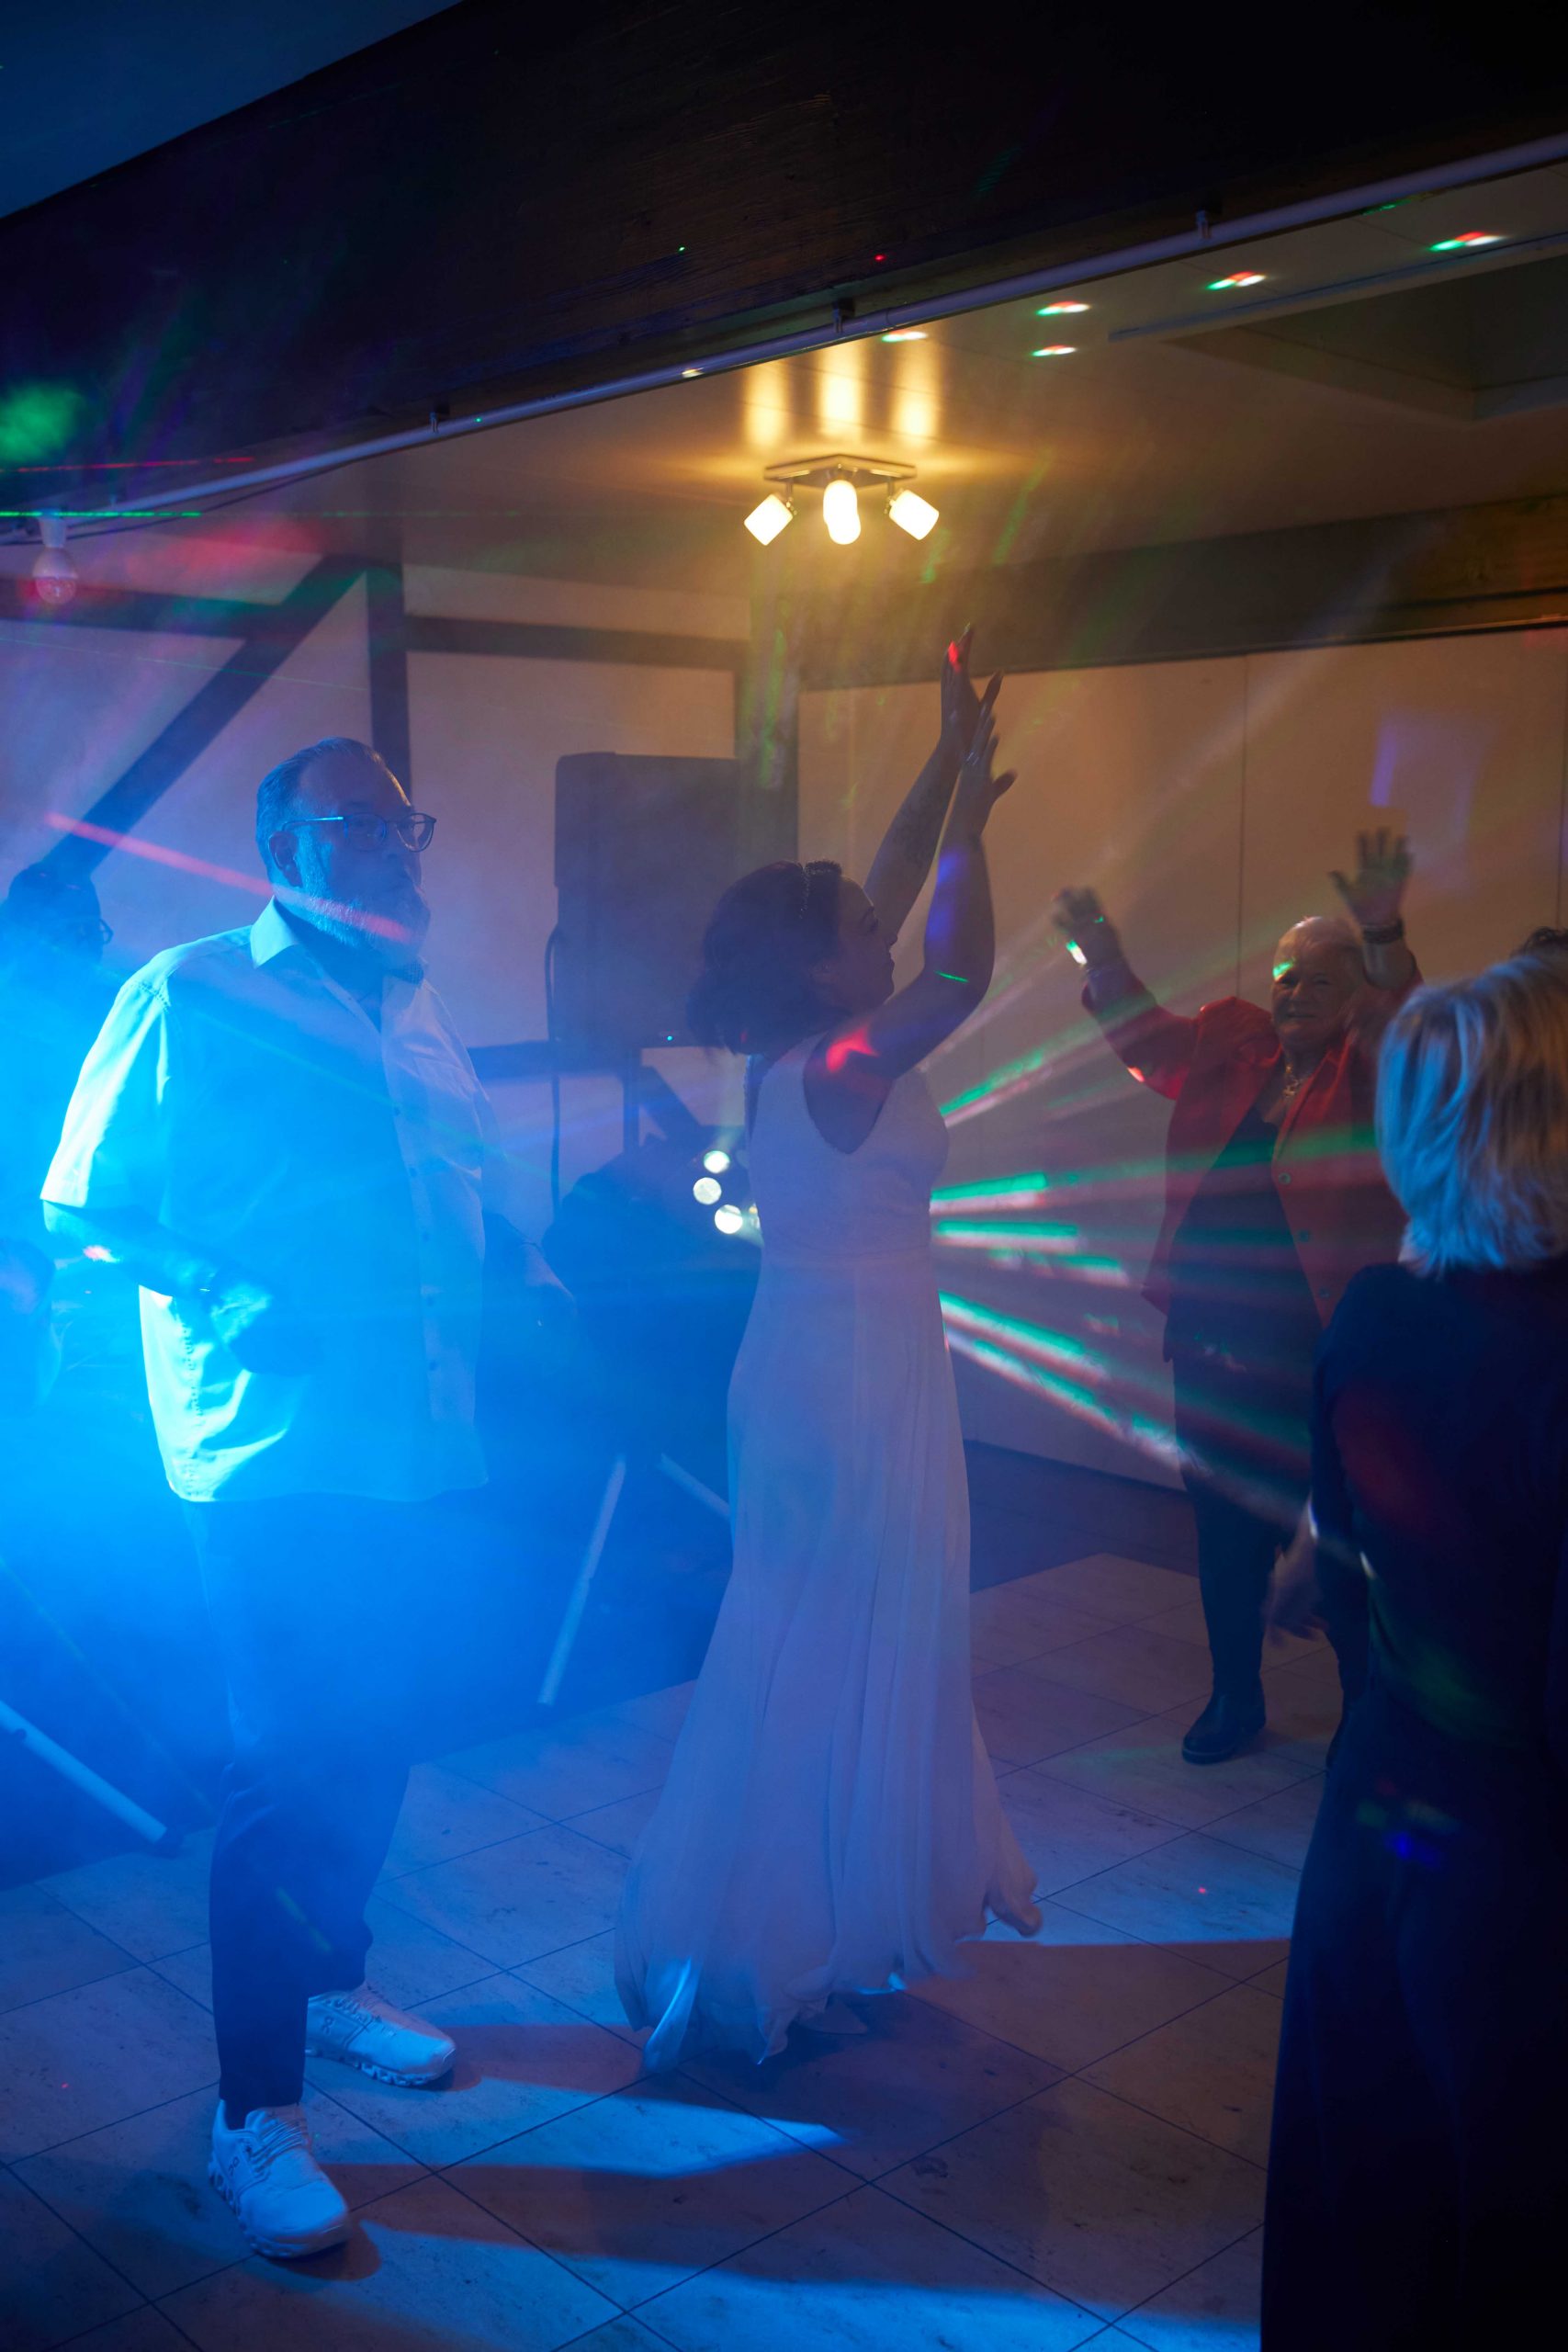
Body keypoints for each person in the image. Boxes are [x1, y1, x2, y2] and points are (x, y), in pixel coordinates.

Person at [42, 738, 551, 2260]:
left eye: (409, 824)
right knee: (283, 1762)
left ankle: (330, 1984)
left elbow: (456, 1191)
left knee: (379, 1733)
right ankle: (250, 2116)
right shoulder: (190, 993)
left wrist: (528, 1277)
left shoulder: (414, 1006)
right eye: (361, 825)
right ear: (282, 848)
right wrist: (220, 1288)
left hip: (420, 1445)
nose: (400, 849)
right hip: (270, 1454)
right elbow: (80, 1201)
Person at [615, 637, 1041, 2069]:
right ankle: (762, 1943)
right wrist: (972, 819)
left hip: (847, 1357)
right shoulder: (841, 1064)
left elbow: (889, 880)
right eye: (863, 922)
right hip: (842, 1377)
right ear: (818, 961)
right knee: (817, 1643)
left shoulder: (815, 1044)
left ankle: (835, 1924)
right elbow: (960, 969)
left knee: (853, 1637)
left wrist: (946, 761)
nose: (884, 922)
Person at [1262, 955, 1568, 2350]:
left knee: (1364, 2176)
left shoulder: (1377, 1314)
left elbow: (1337, 1568)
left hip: (1376, 1804)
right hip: (1518, 1857)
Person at [1052, 836, 1417, 1763]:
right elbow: (1146, 1042)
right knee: (1223, 1527)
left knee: (1338, 1530)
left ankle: (1363, 1713)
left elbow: (1401, 1020)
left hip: (1319, 1345)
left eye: (1321, 981)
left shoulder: (1368, 1068)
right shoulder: (1234, 1042)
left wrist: (1383, 936)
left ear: (1354, 997)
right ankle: (1233, 1696)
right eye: (1287, 977)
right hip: (1210, 1338)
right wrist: (1101, 953)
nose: (1295, 994)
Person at [0, 863, 116, 1242]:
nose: (88, 945)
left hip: (77, 1228)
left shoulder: (114, 1014)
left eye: (92, 931)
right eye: (71, 932)